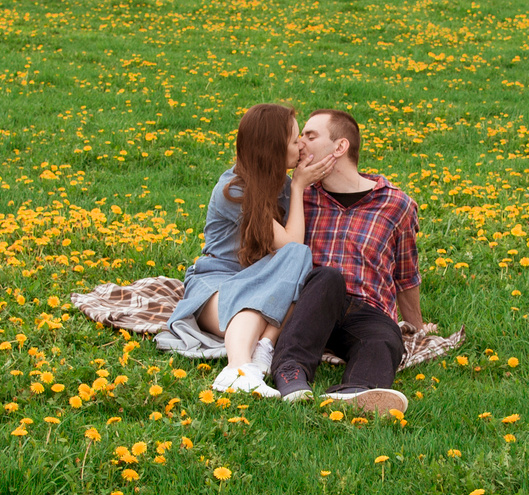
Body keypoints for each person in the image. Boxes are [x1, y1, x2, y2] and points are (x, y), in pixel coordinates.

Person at [170, 103, 331, 393]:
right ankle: (239, 367)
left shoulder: (277, 183)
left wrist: (293, 186)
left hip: (263, 281)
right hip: (218, 282)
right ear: (273, 148)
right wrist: (298, 188)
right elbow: (291, 246)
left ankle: (263, 349)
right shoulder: (233, 190)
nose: (301, 146)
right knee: (260, 297)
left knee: (298, 283)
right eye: (295, 141)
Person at [272, 107, 420, 414]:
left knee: (385, 338)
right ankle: (292, 373)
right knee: (329, 277)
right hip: (313, 302)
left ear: (340, 147)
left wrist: (416, 328)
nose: (300, 144)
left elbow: (406, 274)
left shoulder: (396, 204)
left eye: (310, 136)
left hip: (367, 309)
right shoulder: (297, 195)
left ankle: (357, 391)